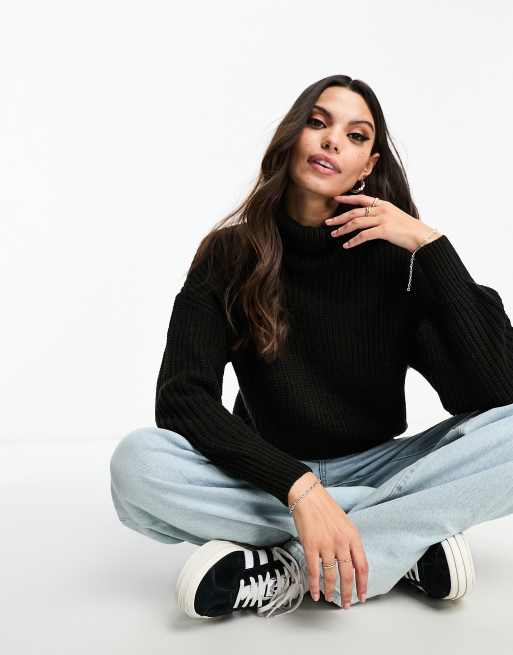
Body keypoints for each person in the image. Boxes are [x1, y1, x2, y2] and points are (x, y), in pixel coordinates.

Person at [110, 74, 513, 620]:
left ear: (368, 165)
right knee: (137, 464)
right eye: (318, 123)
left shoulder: (397, 260)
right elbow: (183, 400)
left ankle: (294, 567)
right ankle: (400, 543)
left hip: (378, 467)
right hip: (269, 475)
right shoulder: (229, 256)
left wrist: (432, 246)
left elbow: (497, 391)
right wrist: (299, 490)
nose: (331, 141)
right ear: (293, 135)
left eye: (355, 135)